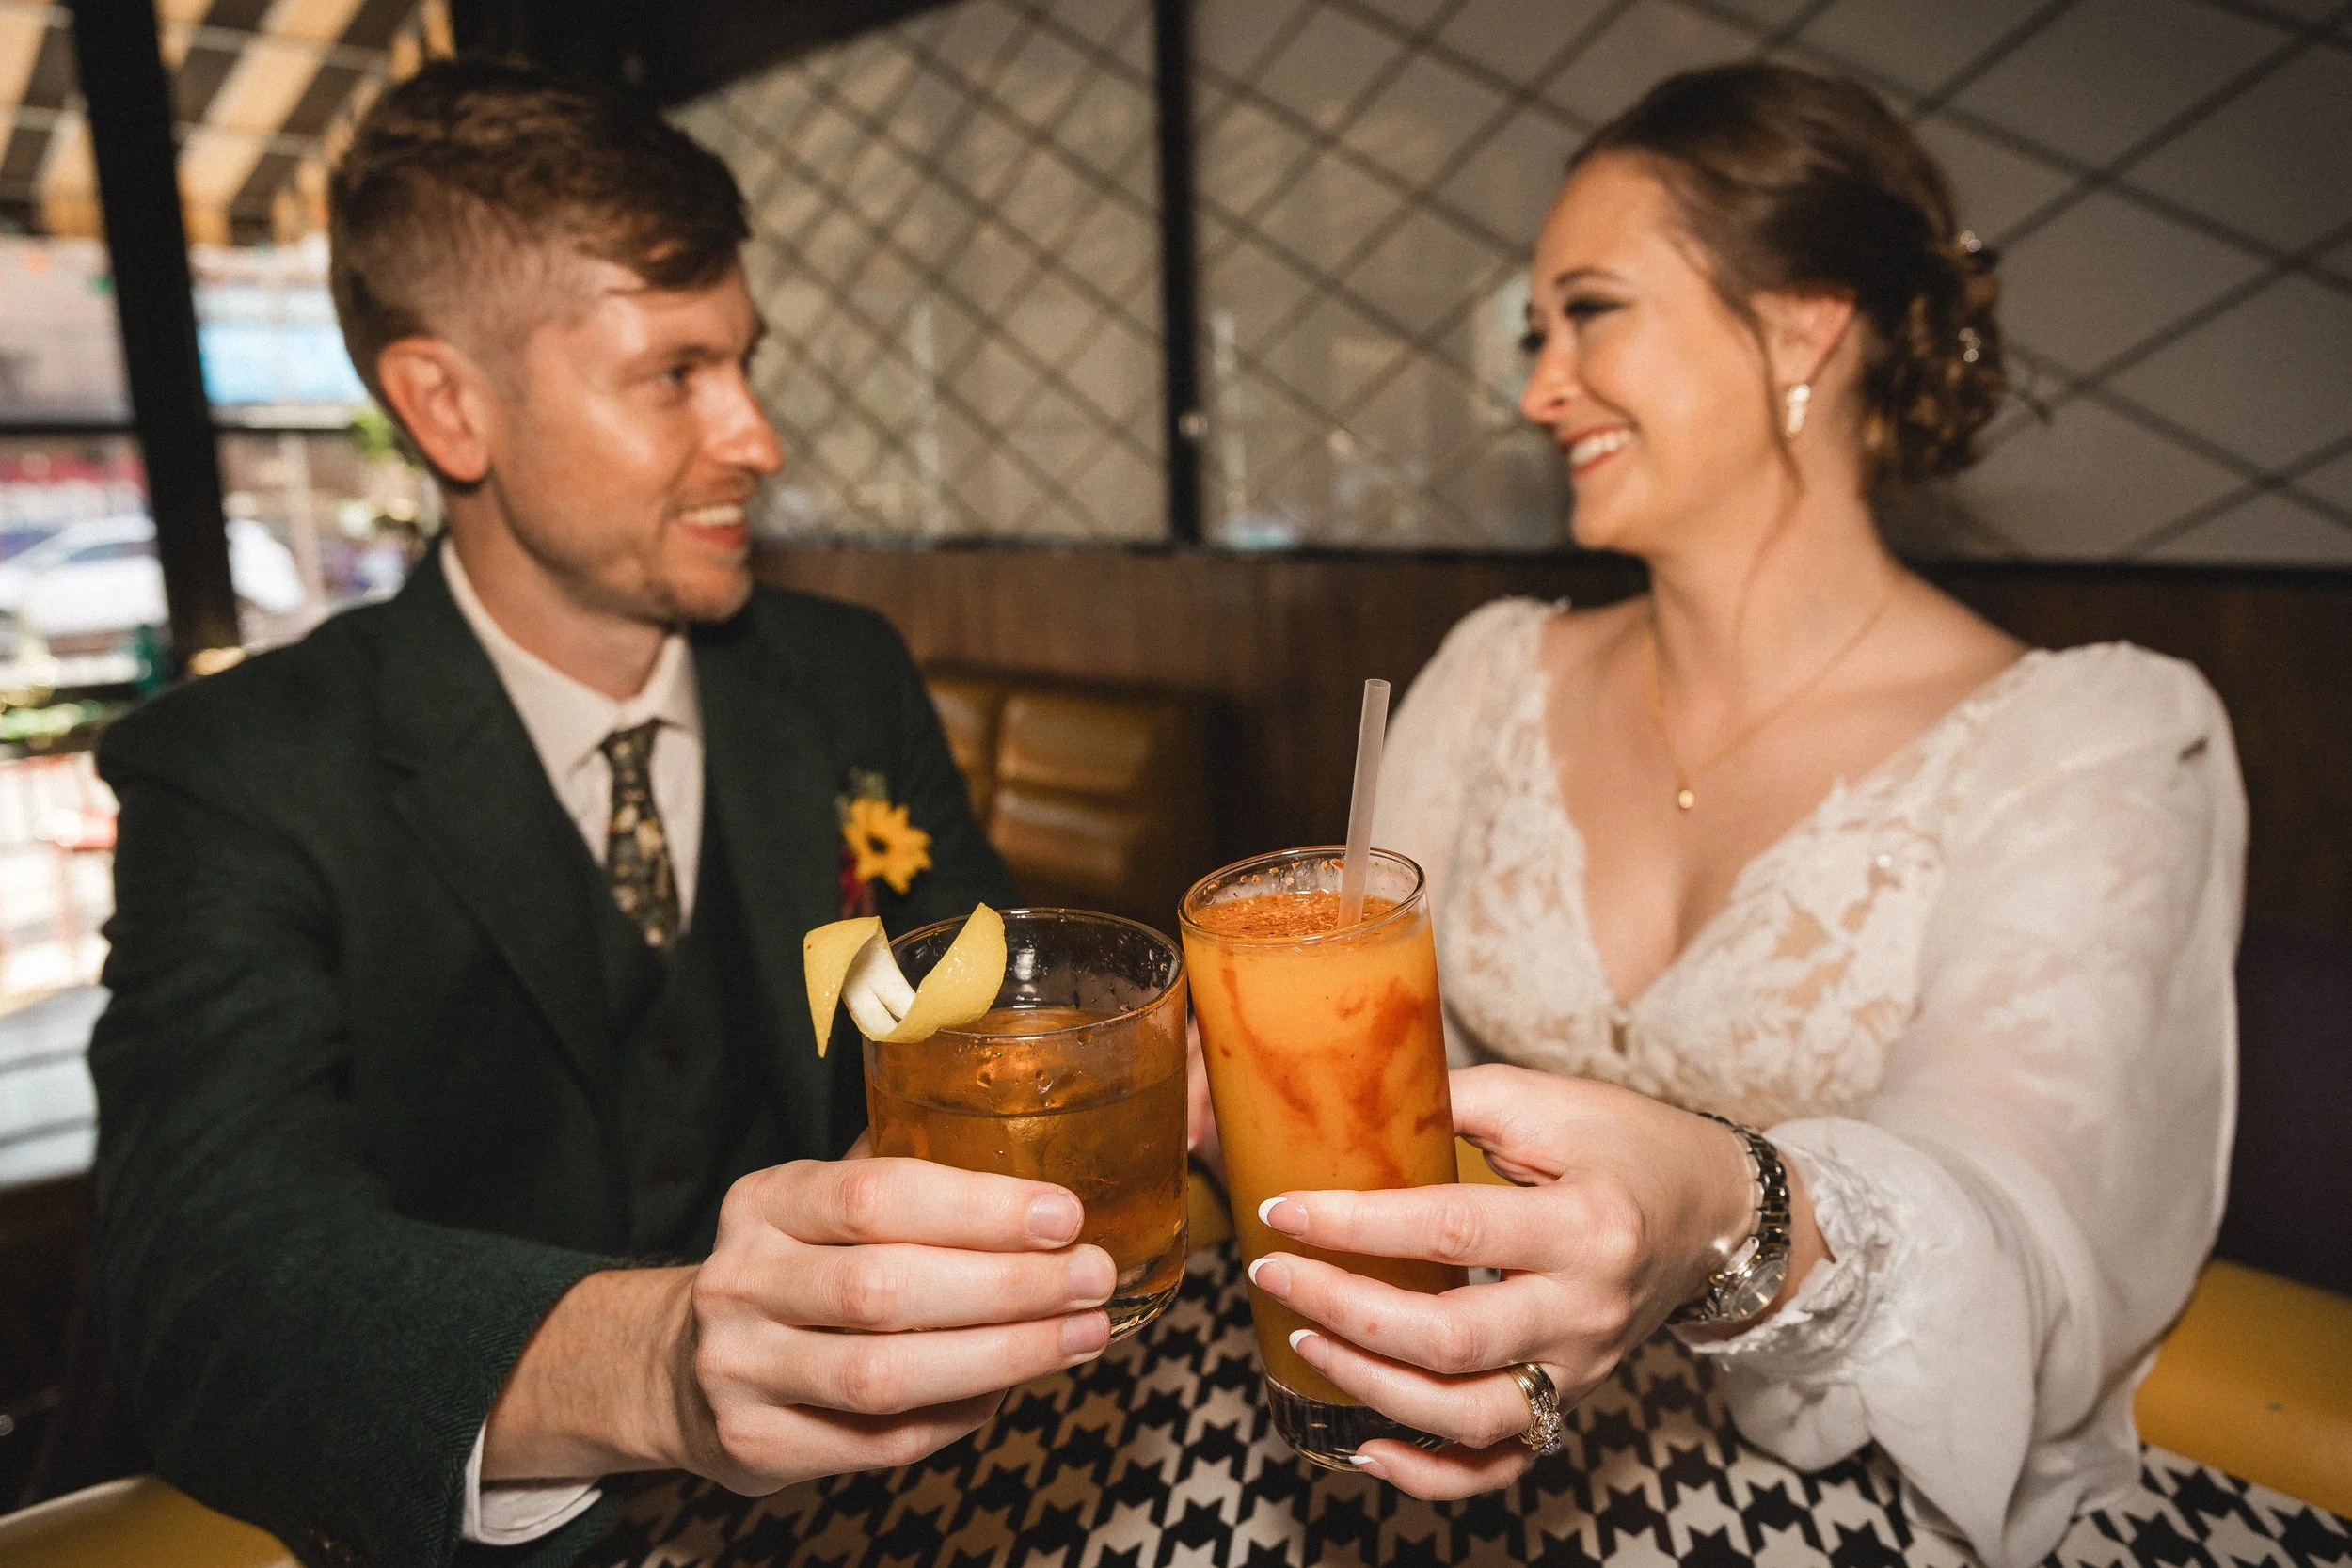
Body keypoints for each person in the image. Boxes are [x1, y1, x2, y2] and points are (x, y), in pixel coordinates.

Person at [87, 59, 1120, 1568]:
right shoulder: (240, 768)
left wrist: (1102, 1080)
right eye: (674, 374)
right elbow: (206, 1283)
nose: (757, 435)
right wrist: (658, 1363)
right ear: (449, 406)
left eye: (746, 361)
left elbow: (959, 1007)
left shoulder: (846, 679)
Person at [1229, 64, 2244, 1568]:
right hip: (1442, 1465)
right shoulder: (1488, 675)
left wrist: (1729, 1212)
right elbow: (1377, 1080)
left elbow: (2021, 1217)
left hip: (1865, 1508)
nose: (1536, 386)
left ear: (1802, 322)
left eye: (1592, 311)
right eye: (1537, 330)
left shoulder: (2095, 744)